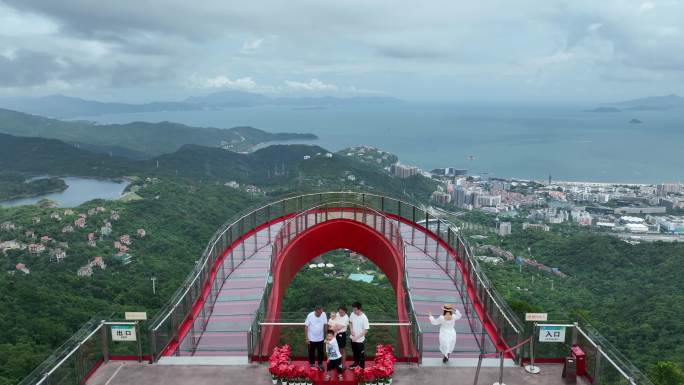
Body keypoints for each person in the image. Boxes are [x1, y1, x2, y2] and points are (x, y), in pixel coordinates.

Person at [305, 305, 328, 370]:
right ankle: (312, 364)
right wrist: (307, 338)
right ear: (315, 311)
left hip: (321, 338)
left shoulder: (323, 314)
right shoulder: (310, 315)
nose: (320, 314)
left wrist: (326, 336)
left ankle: (320, 364)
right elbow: (306, 327)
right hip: (311, 338)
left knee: (321, 352)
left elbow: (325, 325)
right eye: (318, 313)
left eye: (321, 312)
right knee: (311, 351)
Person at [348, 301, 369, 369]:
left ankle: (361, 367)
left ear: (359, 309)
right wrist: (351, 330)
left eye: (355, 310)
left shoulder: (364, 318)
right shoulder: (352, 314)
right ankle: (356, 363)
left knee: (361, 354)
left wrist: (356, 338)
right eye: (353, 309)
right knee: (355, 352)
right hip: (353, 338)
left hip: (359, 340)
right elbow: (350, 323)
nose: (353, 311)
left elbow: (366, 330)